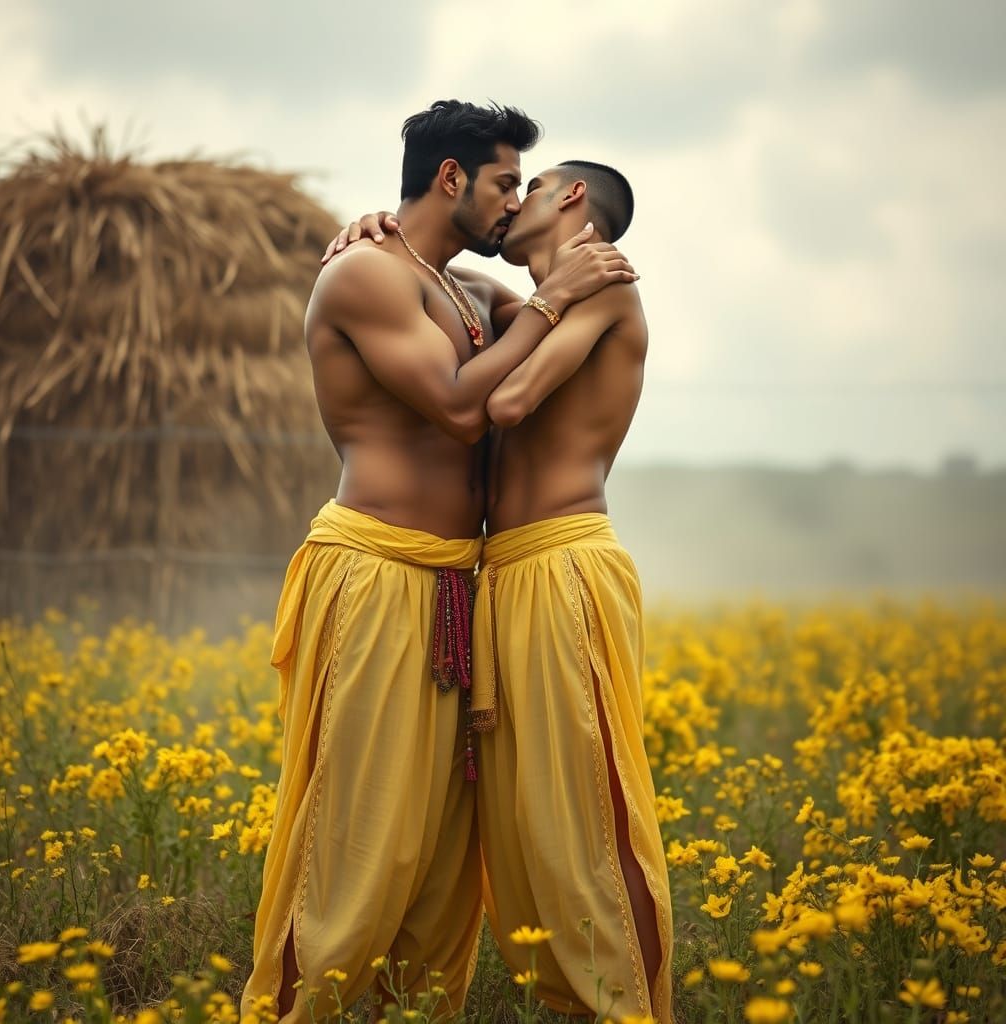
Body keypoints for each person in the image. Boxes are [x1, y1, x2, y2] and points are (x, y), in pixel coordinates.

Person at [241, 101, 637, 1024]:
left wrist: (568, 281)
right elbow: (463, 410)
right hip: (379, 570)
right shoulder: (367, 279)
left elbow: (543, 316)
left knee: (444, 847)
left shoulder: (466, 290)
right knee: (361, 829)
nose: (511, 204)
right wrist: (552, 294)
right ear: (451, 178)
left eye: (523, 187)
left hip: (466, 582)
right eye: (504, 183)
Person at [334, 161, 673, 1021]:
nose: (511, 201)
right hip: (503, 572)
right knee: (521, 823)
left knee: (587, 821)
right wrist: (380, 229)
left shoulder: (602, 287)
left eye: (532, 185)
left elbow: (512, 399)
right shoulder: (530, 296)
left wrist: (553, 294)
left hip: (562, 564)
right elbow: (446, 283)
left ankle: (632, 1007)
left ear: (570, 199)